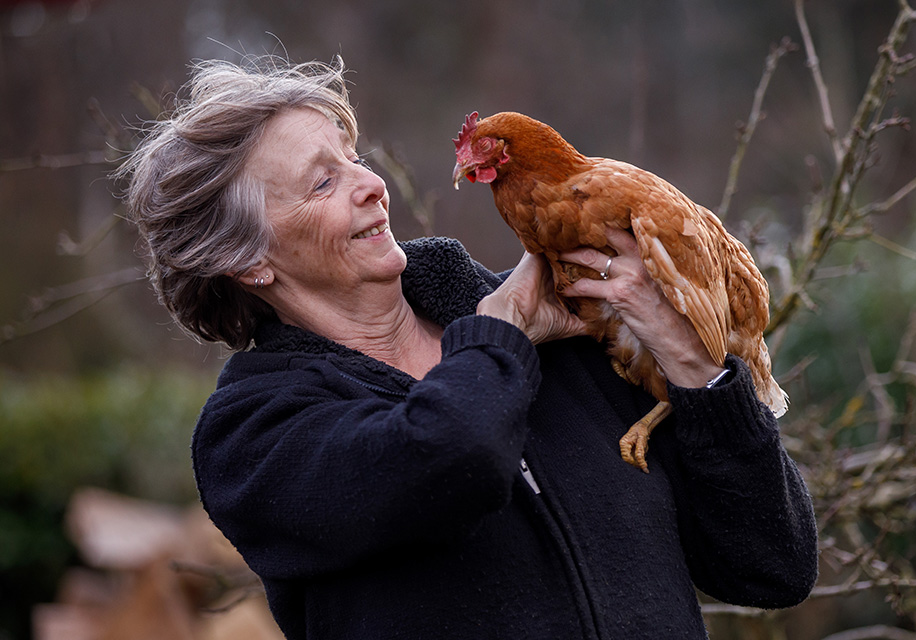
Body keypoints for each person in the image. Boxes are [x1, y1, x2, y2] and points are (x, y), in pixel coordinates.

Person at [119, 56, 818, 640]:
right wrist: (503, 335)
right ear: (249, 262)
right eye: (323, 182)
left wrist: (698, 371)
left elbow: (771, 566)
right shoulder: (257, 434)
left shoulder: (572, 332)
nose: (372, 186)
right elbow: (454, 456)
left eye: (355, 159)